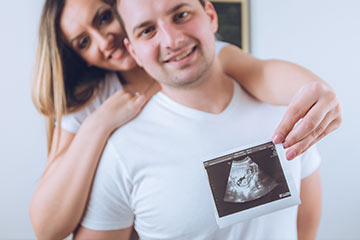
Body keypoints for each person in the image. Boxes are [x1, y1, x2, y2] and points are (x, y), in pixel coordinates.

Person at [29, 0, 341, 239]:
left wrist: (318, 92)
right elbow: (48, 225)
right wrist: (99, 124)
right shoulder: (93, 103)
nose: (103, 40)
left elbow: (263, 72)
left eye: (103, 18)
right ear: (132, 46)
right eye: (83, 42)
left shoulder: (214, 58)